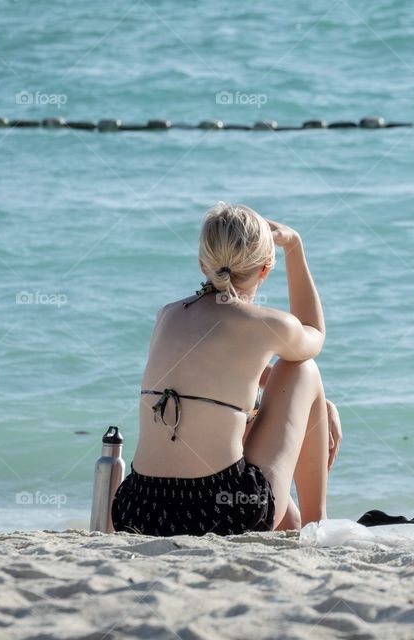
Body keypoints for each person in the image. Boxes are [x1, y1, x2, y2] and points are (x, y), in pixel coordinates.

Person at [111, 202, 341, 536]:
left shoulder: (167, 316)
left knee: (229, 415)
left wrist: (317, 408)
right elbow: (314, 335)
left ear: (203, 263)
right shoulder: (266, 324)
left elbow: (223, 380)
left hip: (139, 508)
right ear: (264, 270)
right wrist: (294, 246)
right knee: (305, 369)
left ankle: (293, 525)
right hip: (221, 511)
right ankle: (316, 524)